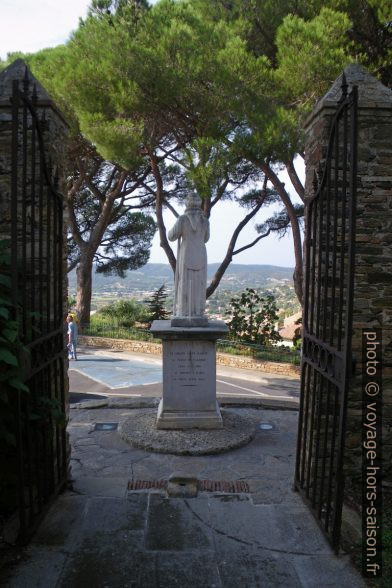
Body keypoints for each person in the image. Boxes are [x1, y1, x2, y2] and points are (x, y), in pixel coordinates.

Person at [168, 192, 210, 324]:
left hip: (186, 254)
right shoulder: (205, 221)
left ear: (187, 203)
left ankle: (184, 312)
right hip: (201, 254)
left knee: (185, 282)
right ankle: (198, 312)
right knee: (199, 283)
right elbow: (206, 238)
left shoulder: (182, 219)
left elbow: (171, 236)